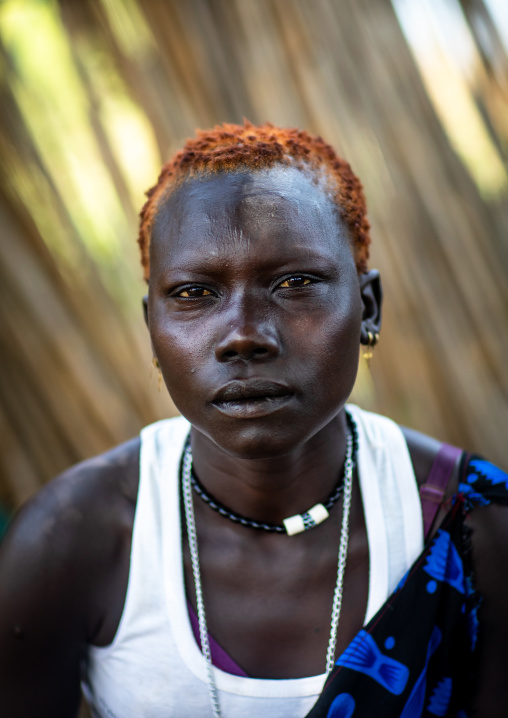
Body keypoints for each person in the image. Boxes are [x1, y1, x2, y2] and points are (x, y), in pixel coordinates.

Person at [0, 122, 507, 718]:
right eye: (193, 293)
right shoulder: (73, 543)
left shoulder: (474, 528)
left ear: (366, 307)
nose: (242, 335)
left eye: (295, 284)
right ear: (152, 330)